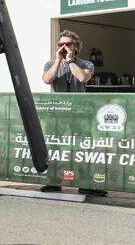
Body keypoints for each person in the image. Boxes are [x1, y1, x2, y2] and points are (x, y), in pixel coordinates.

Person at [40, 30, 104, 196]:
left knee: (82, 148)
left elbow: (83, 78)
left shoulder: (85, 64)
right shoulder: (50, 64)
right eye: (61, 44)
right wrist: (59, 61)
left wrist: (69, 62)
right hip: (56, 113)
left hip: (79, 114)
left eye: (68, 44)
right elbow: (47, 79)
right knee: (54, 148)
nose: (64, 47)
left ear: (75, 46)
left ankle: (85, 183)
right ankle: (53, 182)